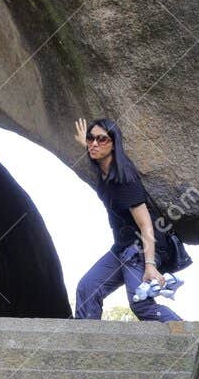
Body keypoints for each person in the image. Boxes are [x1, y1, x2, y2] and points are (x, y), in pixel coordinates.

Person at [73, 116, 182, 323]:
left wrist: (150, 265)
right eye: (90, 138)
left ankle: (188, 337)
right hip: (122, 248)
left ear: (114, 144)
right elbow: (94, 150)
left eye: (102, 139)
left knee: (140, 304)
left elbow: (146, 225)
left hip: (142, 248)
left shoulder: (124, 179)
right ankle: (87, 342)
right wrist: (85, 144)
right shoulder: (103, 168)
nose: (94, 143)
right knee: (87, 288)